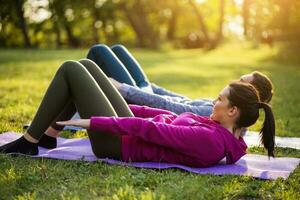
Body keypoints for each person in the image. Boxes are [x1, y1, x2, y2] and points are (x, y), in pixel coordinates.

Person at [0, 59, 275, 167]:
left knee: (71, 69)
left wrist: (95, 119)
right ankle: (48, 137)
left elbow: (153, 131)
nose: (214, 101)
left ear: (233, 111)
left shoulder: (211, 142)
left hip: (119, 145)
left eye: (219, 98)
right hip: (132, 134)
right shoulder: (217, 126)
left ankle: (30, 142)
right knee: (88, 66)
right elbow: (153, 115)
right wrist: (116, 104)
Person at [86, 44, 274, 117]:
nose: (236, 80)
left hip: (141, 100)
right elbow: (182, 99)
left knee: (99, 51)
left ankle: (79, 101)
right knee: (118, 48)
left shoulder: (220, 112)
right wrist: (151, 86)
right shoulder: (225, 104)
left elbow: (171, 107)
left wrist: (125, 88)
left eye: (242, 80)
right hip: (147, 92)